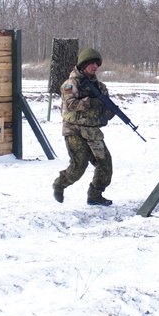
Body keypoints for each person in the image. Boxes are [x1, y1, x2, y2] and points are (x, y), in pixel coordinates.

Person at [53, 47, 115, 206]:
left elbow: (107, 106)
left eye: (97, 64)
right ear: (83, 64)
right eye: (91, 63)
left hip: (92, 132)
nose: (94, 67)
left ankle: (95, 194)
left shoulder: (100, 87)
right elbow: (70, 105)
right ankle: (60, 184)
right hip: (74, 130)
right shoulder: (71, 84)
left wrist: (107, 114)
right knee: (79, 165)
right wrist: (90, 102)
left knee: (105, 164)